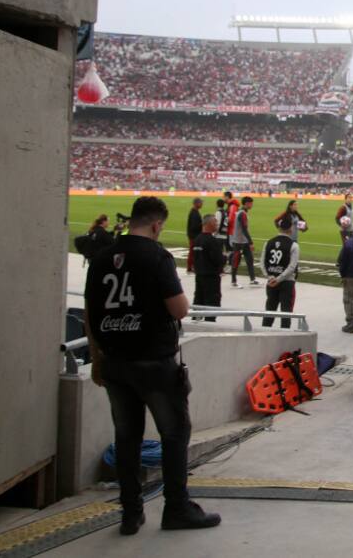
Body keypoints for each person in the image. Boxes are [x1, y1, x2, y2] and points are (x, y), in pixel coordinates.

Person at [83, 196, 221, 535]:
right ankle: (176, 509)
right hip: (153, 363)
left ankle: (130, 513)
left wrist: (97, 358)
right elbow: (178, 309)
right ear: (157, 224)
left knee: (127, 437)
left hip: (115, 361)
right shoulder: (156, 256)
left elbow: (89, 314)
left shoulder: (101, 257)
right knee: (174, 433)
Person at [261, 216, 300, 328]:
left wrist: (270, 277)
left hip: (271, 282)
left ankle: (264, 334)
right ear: (290, 228)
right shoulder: (294, 245)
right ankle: (284, 337)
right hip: (287, 283)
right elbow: (292, 267)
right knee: (286, 312)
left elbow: (262, 263)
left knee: (269, 310)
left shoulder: (268, 242)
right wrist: (279, 279)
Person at [190, 214, 224, 322]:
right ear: (209, 224)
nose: (217, 224)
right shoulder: (212, 241)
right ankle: (209, 325)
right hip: (211, 277)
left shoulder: (197, 239)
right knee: (212, 302)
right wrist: (225, 258)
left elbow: (193, 257)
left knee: (198, 299)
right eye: (215, 222)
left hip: (199, 275)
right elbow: (218, 260)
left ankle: (195, 321)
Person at [230, 196, 258, 288]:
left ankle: (252, 279)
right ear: (247, 203)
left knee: (250, 260)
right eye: (251, 203)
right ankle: (233, 281)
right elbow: (244, 229)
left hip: (243, 241)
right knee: (236, 261)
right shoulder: (242, 214)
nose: (252, 205)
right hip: (239, 241)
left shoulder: (241, 213)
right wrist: (251, 242)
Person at [185, 198, 203, 274]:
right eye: (201, 203)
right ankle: (190, 267)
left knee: (193, 252)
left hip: (193, 235)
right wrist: (202, 225)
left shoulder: (194, 212)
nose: (202, 204)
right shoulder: (194, 213)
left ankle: (191, 267)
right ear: (196, 203)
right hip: (194, 236)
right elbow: (194, 226)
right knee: (193, 252)